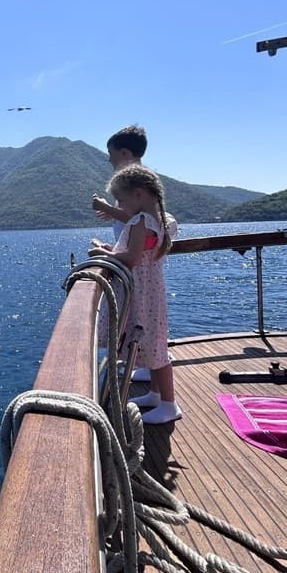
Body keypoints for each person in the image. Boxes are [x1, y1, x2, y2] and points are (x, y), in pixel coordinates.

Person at [89, 163, 180, 425]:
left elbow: (131, 258)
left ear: (138, 194)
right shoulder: (157, 219)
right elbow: (140, 251)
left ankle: (169, 404)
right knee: (153, 341)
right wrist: (112, 248)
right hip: (151, 291)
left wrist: (103, 253)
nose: (119, 206)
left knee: (155, 348)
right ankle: (155, 395)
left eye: (121, 200)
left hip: (142, 293)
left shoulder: (141, 220)